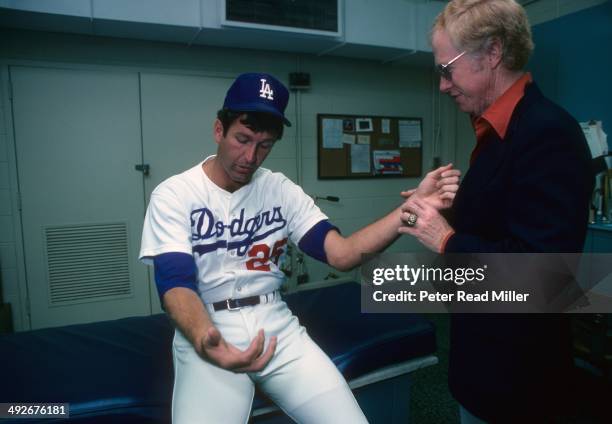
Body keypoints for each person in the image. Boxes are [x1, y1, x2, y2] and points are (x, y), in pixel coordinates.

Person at [139, 72, 460, 423]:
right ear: (220, 130)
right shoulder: (175, 194)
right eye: (242, 139)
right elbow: (175, 283)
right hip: (207, 324)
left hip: (274, 324)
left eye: (264, 145)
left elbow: (341, 253)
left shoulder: (279, 190)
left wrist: (407, 213)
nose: (250, 156)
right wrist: (206, 340)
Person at [399, 0, 594, 422]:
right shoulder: (497, 133)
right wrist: (446, 210)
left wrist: (445, 238)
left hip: (518, 382)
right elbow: (501, 224)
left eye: (446, 69)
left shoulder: (546, 131)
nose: (443, 85)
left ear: (492, 53)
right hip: (483, 360)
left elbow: (544, 274)